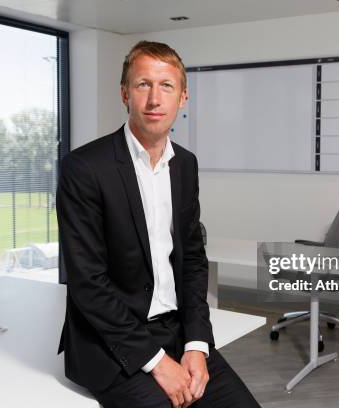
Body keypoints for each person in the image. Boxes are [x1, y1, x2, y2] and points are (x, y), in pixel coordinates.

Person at [57, 40, 261, 408]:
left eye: (166, 86)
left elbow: (194, 260)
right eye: (143, 84)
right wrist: (156, 362)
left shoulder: (185, 164)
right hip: (111, 344)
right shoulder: (84, 168)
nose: (155, 99)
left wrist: (197, 344)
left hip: (177, 331)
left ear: (183, 98)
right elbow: (88, 283)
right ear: (125, 93)